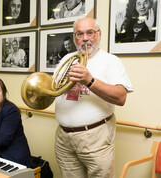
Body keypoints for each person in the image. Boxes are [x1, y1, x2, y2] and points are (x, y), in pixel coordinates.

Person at [53, 17, 133, 178]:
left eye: (90, 33)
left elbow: (121, 97)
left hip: (96, 137)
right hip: (64, 137)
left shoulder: (110, 61)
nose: (85, 38)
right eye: (79, 34)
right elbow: (55, 89)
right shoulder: (66, 59)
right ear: (74, 37)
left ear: (99, 34)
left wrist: (89, 81)